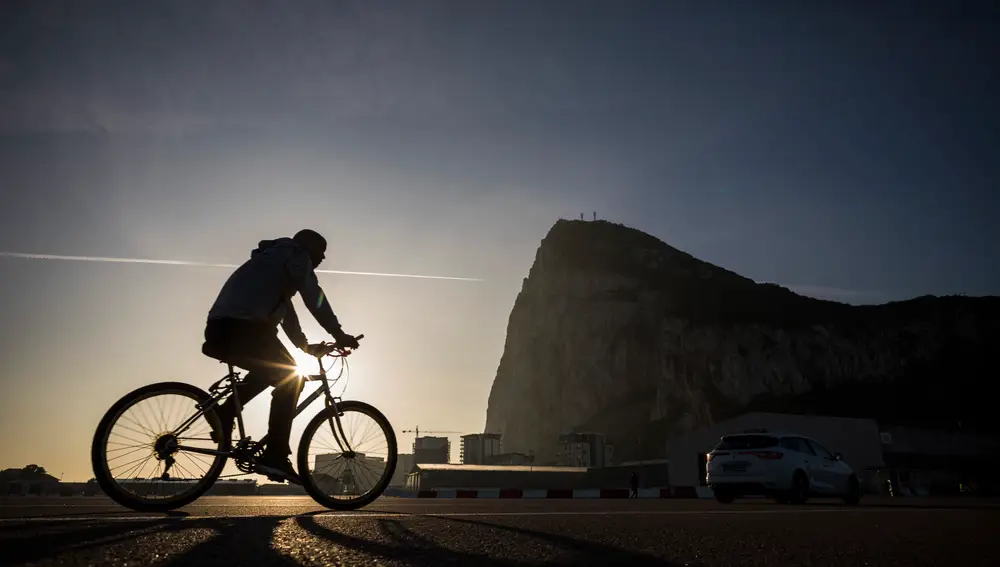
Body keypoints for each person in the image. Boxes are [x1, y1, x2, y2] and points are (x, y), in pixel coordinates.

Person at [201, 229, 360, 485]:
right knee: (291, 378)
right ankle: (274, 455)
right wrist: (339, 334)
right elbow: (313, 296)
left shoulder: (271, 262)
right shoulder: (295, 255)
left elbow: (288, 315)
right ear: (307, 247)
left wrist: (306, 347)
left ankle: (226, 412)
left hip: (221, 329)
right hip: (245, 329)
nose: (321, 259)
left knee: (273, 370)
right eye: (320, 253)